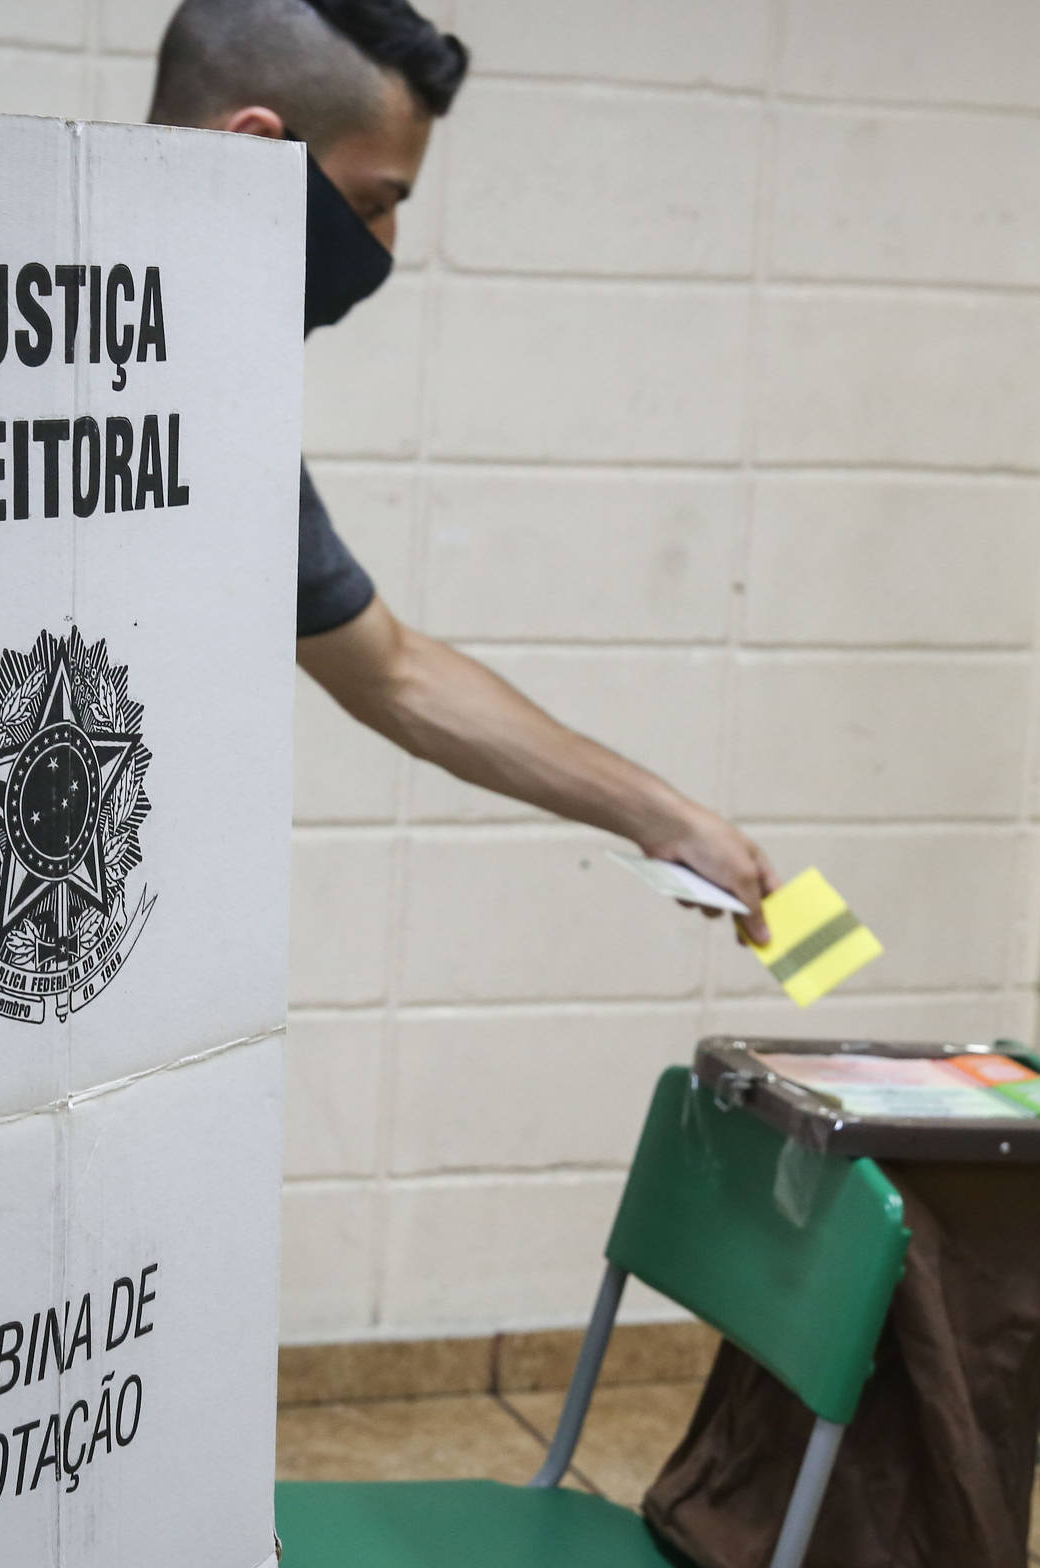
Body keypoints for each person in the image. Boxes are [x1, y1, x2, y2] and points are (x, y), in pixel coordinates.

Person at [147, 0, 780, 942]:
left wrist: (668, 820)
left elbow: (391, 674)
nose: (386, 246)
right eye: (372, 202)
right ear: (252, 149)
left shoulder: (214, 398)